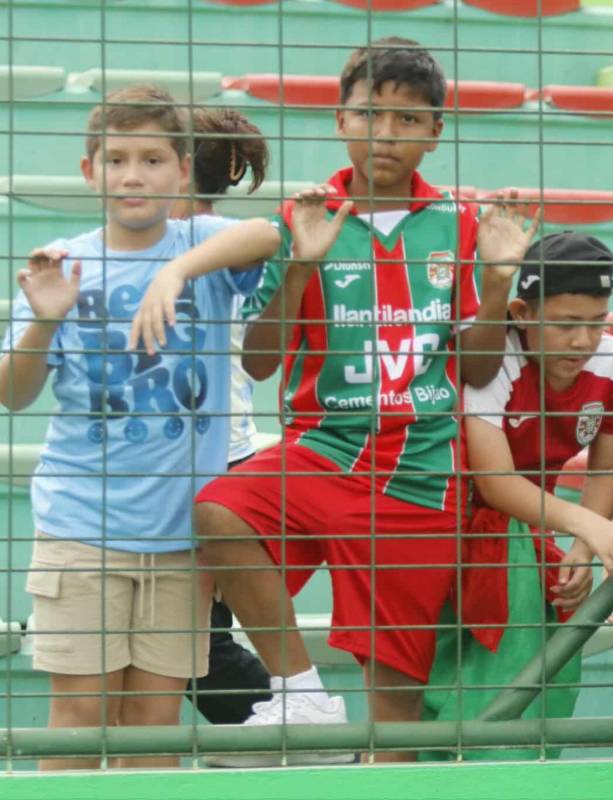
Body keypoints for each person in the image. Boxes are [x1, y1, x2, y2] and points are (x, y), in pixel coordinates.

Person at [129, 37, 531, 765]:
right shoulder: (306, 217)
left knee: (393, 727)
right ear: (339, 121)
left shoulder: (464, 227)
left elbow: (474, 372)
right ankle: (301, 693)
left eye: (409, 121)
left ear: (437, 132)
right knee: (219, 511)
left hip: (418, 478)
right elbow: (258, 359)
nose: (387, 134)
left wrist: (499, 284)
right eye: (370, 115)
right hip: (323, 452)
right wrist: (296, 273)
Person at [0, 85, 264, 770]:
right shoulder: (61, 260)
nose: (133, 175)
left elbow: (273, 233)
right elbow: (14, 394)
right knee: (80, 718)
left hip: (180, 540)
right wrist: (45, 319)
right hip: (81, 530)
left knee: (155, 726)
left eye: (152, 159)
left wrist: (175, 269)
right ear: (90, 171)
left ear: (182, 170)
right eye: (116, 159)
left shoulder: (202, 242)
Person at [422, 231, 613, 760]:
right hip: (457, 518)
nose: (583, 340)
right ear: (522, 312)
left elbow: (606, 470)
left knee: (549, 651)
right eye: (567, 324)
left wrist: (582, 549)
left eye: (596, 322)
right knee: (458, 672)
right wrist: (587, 527)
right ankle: (470, 770)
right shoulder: (492, 355)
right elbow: (493, 481)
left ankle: (523, 764)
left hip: (533, 524)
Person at [170, 107, 273, 725]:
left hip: (217, 459)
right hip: (185, 458)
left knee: (197, 647)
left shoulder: (218, 238)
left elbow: (268, 232)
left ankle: (296, 717)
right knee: (194, 643)